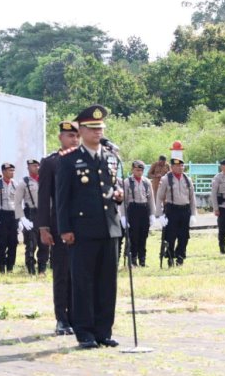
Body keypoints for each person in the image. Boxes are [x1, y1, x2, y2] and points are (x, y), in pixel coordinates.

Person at [56, 105, 123, 349]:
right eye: (93, 128)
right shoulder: (69, 160)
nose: (98, 132)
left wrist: (119, 194)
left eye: (101, 128)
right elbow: (62, 198)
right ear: (81, 131)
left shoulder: (111, 158)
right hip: (82, 230)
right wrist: (64, 229)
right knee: (83, 282)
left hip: (109, 228)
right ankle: (84, 332)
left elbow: (112, 187)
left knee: (107, 282)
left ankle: (103, 331)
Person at [38, 120, 80, 336]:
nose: (73, 139)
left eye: (76, 136)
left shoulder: (83, 160)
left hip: (82, 225)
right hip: (59, 224)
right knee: (62, 272)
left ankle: (76, 316)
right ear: (60, 138)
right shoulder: (50, 162)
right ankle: (61, 318)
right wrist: (43, 227)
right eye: (69, 136)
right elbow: (44, 197)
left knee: (79, 273)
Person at [155, 158, 197, 266]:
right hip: (172, 210)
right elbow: (159, 197)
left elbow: (192, 198)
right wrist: (159, 215)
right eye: (177, 166)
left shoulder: (187, 179)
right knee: (170, 236)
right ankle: (170, 257)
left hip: (185, 210)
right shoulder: (166, 179)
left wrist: (193, 214)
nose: (180, 168)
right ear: (172, 167)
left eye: (182, 166)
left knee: (184, 236)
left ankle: (180, 257)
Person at [120, 160, 156, 267]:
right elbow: (123, 201)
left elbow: (151, 199)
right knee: (133, 236)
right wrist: (123, 216)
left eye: (141, 170)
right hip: (133, 209)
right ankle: (133, 259)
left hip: (144, 209)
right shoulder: (127, 182)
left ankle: (142, 259)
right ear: (132, 170)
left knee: (143, 235)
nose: (139, 172)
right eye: (137, 170)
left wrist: (152, 214)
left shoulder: (146, 182)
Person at [16, 159, 49, 275]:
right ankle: (30, 269)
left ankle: (42, 269)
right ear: (28, 168)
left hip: (44, 213)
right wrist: (22, 218)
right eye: (33, 166)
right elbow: (17, 202)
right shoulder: (24, 182)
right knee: (31, 243)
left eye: (37, 165)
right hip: (31, 214)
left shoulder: (45, 180)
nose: (36, 168)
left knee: (44, 243)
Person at [0, 163, 18, 274]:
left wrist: (20, 219)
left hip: (12, 215)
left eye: (13, 170)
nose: (12, 172)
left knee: (13, 242)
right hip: (0, 215)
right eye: (9, 170)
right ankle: (1, 266)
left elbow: (18, 201)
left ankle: (10, 267)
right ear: (3, 172)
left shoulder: (15, 184)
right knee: (1, 242)